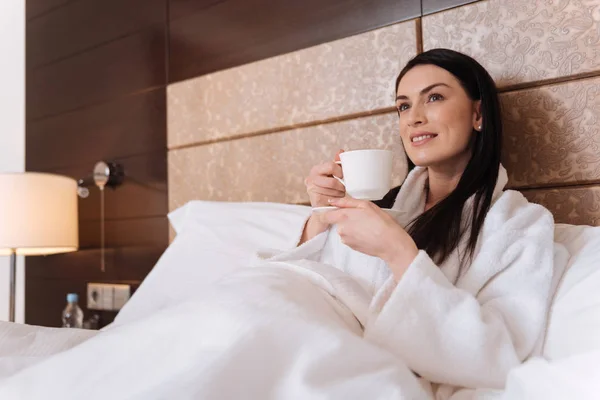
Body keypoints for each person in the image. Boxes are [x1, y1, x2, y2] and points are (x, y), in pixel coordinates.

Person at [299, 48, 560, 399]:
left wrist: (400, 254)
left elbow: (496, 356)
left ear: (478, 113)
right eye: (403, 106)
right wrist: (320, 215)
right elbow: (313, 290)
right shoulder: (380, 210)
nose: (413, 118)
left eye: (433, 97)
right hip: (316, 351)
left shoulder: (520, 225)